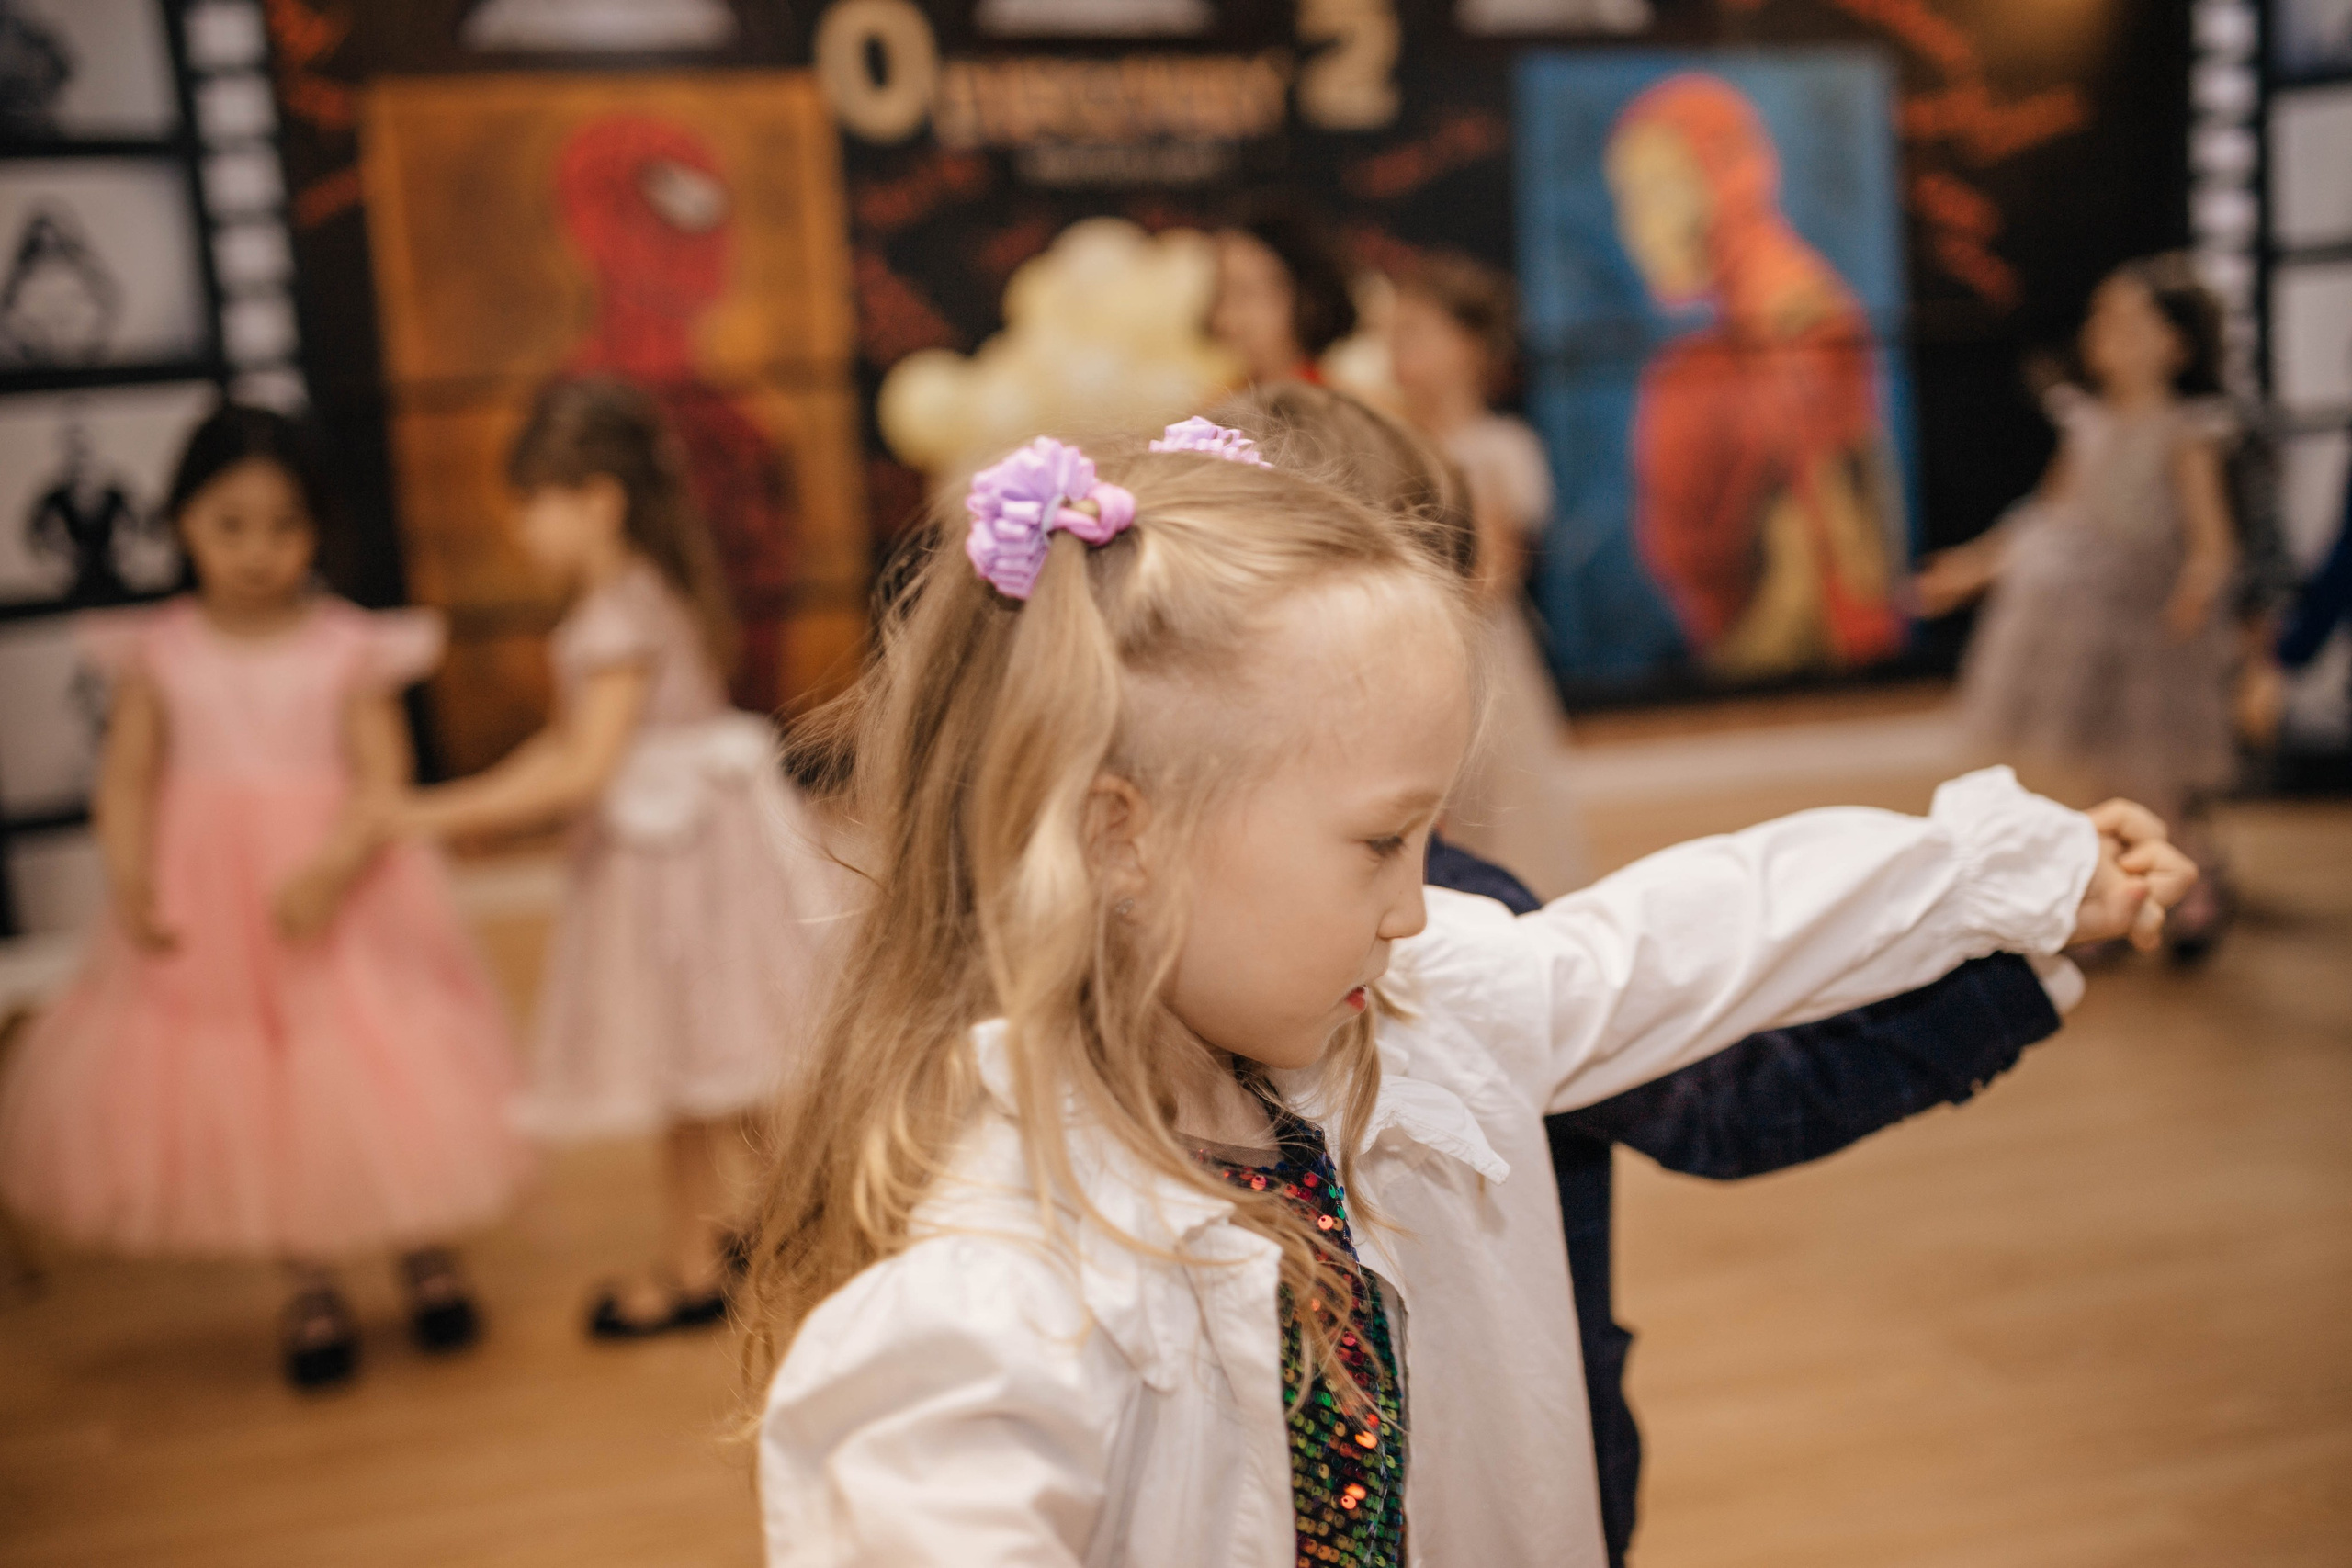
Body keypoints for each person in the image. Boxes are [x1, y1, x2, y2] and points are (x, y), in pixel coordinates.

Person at [744, 419, 2193, 1566]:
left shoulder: (1418, 1015)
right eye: (1383, 841)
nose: (1415, 900)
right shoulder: (1000, 1296)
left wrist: (2008, 874)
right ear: (1121, 837)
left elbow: (1695, 931)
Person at [1218, 379, 2085, 1564]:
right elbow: (1732, 1105)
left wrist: (2007, 939)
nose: (1402, 913)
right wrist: (2015, 960)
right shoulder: (1458, 942)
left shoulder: (1443, 930)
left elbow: (1722, 986)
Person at [0, 404, 526, 1391]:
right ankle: (311, 1278)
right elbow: (127, 779)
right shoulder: (160, 650)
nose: (257, 550)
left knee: (377, 1063)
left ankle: (423, 1249)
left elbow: (382, 771)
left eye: (284, 525)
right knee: (264, 1089)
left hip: (345, 888)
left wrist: (332, 865)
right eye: (230, 524)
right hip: (215, 902)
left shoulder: (345, 645)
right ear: (182, 523)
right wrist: (130, 876)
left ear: (317, 529)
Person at [393, 377, 829, 1340]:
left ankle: (695, 1267)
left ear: (597, 500)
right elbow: (568, 746)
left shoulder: (614, 618)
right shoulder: (644, 594)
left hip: (677, 865)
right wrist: (473, 804)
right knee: (725, 1067)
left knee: (693, 1077)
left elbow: (585, 765)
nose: (521, 529)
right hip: (693, 851)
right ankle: (785, 1221)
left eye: (531, 504)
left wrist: (436, 810)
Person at [1917, 254, 2240, 955]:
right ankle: (2115, 899)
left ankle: (2190, 882)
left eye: (2129, 322)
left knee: (2153, 773)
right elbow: (2046, 518)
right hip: (2079, 624)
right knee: (2100, 771)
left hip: (2152, 628)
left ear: (2175, 343)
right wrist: (1972, 569)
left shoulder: (2186, 432)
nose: (2106, 334)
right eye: (2103, 318)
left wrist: (2199, 586)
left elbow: (2212, 538)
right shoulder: (2086, 423)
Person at [1605, 73, 1908, 678]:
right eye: (1628, 199)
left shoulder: (1789, 319)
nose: (1639, 226)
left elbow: (1839, 534)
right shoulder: (1731, 332)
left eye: (1659, 190)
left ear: (1722, 176)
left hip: (1800, 653)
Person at [1386, 250, 1586, 897]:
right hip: (1411, 651)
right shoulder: (1389, 444)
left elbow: (1494, 571)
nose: (1396, 350)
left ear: (1468, 348)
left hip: (1481, 654)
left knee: (1498, 800)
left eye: (1414, 333)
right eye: (1393, 335)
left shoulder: (1498, 448)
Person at [1205, 199, 1360, 389]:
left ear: (1307, 300)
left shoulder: (1332, 402)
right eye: (1221, 295)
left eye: (1246, 294)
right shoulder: (1223, 398)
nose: (1226, 320)